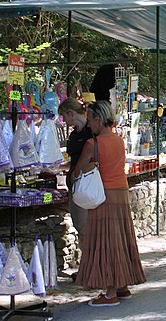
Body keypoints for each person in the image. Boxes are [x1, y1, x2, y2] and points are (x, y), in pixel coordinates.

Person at [72, 101, 145, 307]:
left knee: (106, 242)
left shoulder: (92, 144)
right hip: (120, 192)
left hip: (102, 196)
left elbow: (78, 171)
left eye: (90, 120)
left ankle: (110, 292)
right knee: (120, 238)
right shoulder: (119, 140)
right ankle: (122, 285)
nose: (89, 125)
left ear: (97, 119)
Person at [59, 98, 93, 250]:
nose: (64, 120)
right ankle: (84, 267)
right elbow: (73, 160)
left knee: (86, 228)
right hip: (75, 184)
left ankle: (88, 269)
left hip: (87, 184)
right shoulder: (74, 135)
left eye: (64, 116)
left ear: (70, 113)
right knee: (80, 226)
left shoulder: (91, 132)